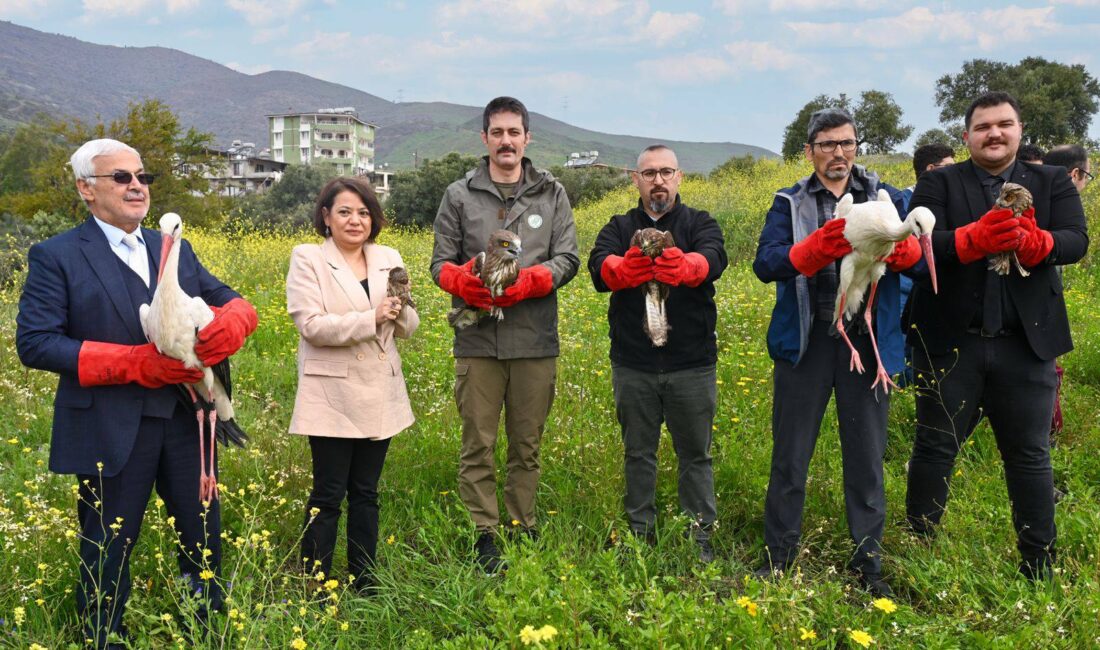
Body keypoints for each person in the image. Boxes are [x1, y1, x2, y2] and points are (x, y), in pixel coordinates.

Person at [15, 138, 258, 647]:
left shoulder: (173, 247)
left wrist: (238, 320)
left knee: (203, 531)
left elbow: (226, 299)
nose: (137, 186)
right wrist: (131, 364)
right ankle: (104, 636)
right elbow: (36, 344)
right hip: (110, 425)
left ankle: (208, 627)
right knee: (109, 542)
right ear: (86, 189)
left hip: (186, 421)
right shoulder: (56, 255)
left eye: (142, 177)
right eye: (121, 177)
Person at [904, 92, 1089, 581]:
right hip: (950, 340)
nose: (994, 133)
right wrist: (971, 240)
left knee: (1029, 454)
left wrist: (1038, 242)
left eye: (1004, 124)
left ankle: (1038, 564)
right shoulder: (939, 183)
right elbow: (918, 247)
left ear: (1020, 130)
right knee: (935, 446)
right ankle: (918, 552)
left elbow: (1076, 240)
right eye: (983, 126)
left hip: (1025, 345)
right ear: (967, 136)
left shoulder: (1051, 182)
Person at [752, 109, 922, 597]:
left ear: (856, 146)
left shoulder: (888, 197)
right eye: (826, 144)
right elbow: (767, 262)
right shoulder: (788, 202)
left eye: (846, 143)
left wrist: (904, 252)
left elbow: (915, 258)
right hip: (805, 346)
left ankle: (869, 565)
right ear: (809, 151)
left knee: (867, 459)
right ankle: (777, 559)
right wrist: (809, 251)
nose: (838, 153)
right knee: (790, 456)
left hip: (865, 349)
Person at [430, 96, 579, 573]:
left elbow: (569, 258)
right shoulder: (459, 194)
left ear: (527, 138)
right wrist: (460, 282)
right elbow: (439, 262)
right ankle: (485, 532)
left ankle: (522, 522)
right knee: (478, 441)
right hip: (477, 338)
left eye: (514, 132)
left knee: (526, 442)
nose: (506, 141)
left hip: (534, 335)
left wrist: (534, 280)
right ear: (485, 139)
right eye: (497, 133)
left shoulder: (552, 193)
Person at [587, 145, 728, 562]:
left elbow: (715, 255)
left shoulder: (698, 222)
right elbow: (598, 265)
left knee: (695, 455)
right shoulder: (618, 225)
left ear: (679, 177)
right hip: (634, 363)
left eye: (666, 172)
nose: (658, 180)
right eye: (649, 173)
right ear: (636, 180)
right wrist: (617, 268)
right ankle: (639, 536)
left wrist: (692, 266)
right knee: (638, 454)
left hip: (692, 363)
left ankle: (698, 537)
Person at [286, 177, 418, 592]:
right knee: (327, 494)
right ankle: (317, 582)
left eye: (363, 212)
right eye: (344, 211)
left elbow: (409, 328)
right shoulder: (308, 258)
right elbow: (311, 326)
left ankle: (366, 581)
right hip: (331, 392)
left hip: (379, 387)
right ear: (326, 216)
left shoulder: (389, 257)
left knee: (366, 492)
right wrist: (373, 317)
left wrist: (398, 313)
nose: (355, 220)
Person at [897, 143, 957, 386]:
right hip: (904, 289)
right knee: (904, 346)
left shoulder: (950, 202)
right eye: (950, 168)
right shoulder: (901, 201)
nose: (955, 174)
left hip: (938, 290)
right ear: (931, 169)